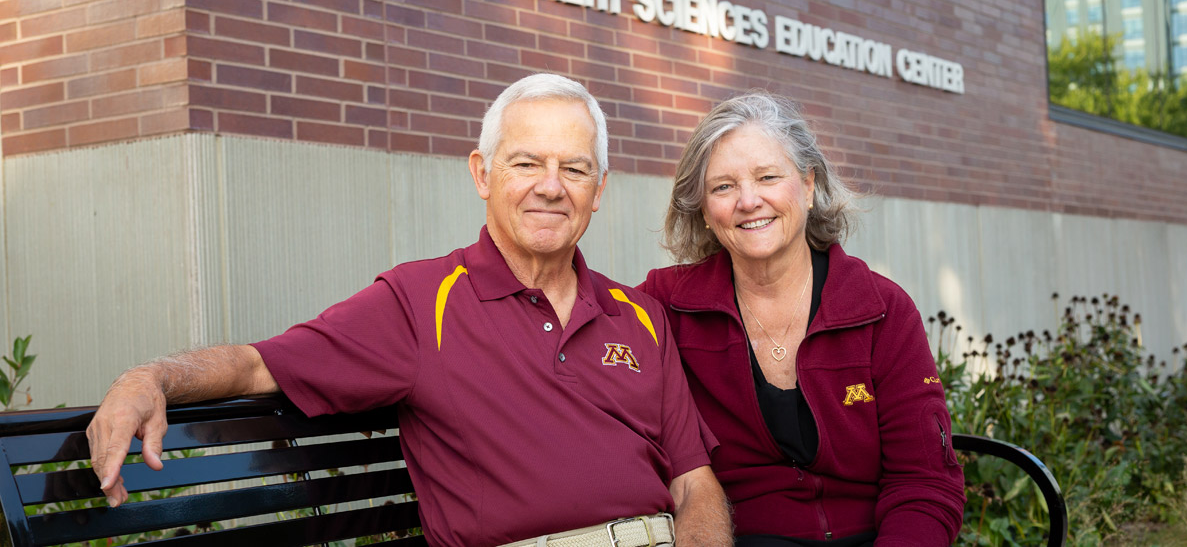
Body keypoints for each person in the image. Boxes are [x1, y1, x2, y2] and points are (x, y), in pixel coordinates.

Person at [86, 74, 733, 547]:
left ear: (599, 193)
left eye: (574, 168)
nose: (550, 186)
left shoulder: (640, 316)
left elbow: (694, 484)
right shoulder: (420, 304)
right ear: (482, 174)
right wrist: (152, 378)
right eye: (526, 163)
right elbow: (261, 365)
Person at [638, 92, 965, 547]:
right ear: (704, 211)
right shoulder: (665, 306)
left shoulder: (882, 310)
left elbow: (925, 483)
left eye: (768, 177)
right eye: (723, 186)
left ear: (809, 187)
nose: (749, 200)